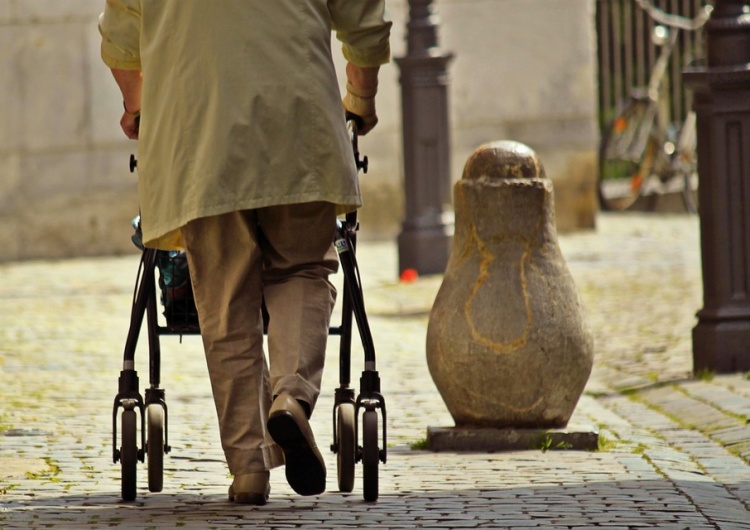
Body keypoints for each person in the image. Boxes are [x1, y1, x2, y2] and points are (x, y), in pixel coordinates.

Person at [99, 1, 391, 505]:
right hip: (298, 118)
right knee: (302, 267)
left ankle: (249, 468)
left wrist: (139, 106)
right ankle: (291, 395)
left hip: (199, 131)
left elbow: (122, 41)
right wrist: (360, 97)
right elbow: (364, 19)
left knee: (225, 292)